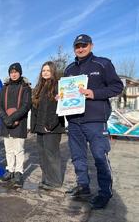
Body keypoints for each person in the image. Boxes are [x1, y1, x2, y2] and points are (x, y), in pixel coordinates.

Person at [64, 34, 123, 209]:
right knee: (78, 157)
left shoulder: (103, 64)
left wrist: (94, 93)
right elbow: (66, 92)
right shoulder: (69, 69)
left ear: (91, 45)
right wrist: (61, 97)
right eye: (77, 46)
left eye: (84, 45)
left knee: (99, 156)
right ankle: (83, 187)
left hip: (95, 120)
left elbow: (117, 87)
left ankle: (105, 193)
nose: (80, 48)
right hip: (74, 121)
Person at [31, 61, 65, 190]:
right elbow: (36, 108)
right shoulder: (39, 87)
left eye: (48, 70)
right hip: (40, 126)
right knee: (42, 154)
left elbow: (58, 109)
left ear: (53, 72)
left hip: (52, 127)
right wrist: (34, 125)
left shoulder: (57, 86)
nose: (45, 72)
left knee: (52, 154)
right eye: (43, 70)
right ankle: (46, 178)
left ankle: (55, 181)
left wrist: (50, 125)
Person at [0, 63, 32, 187]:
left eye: (16, 72)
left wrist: (13, 118)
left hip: (19, 123)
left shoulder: (25, 88)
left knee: (19, 149)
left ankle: (18, 172)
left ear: (20, 73)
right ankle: (10, 169)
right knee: (9, 149)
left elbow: (26, 105)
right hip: (6, 123)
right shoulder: (4, 88)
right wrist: (6, 119)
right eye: (11, 72)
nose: (14, 74)